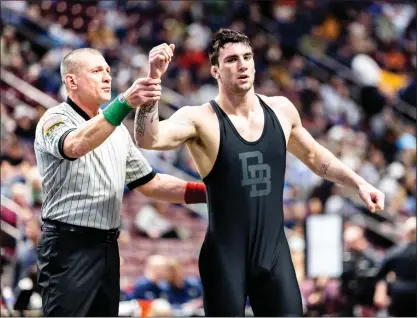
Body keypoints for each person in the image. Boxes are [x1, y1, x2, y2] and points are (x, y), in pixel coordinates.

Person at [134, 29, 385, 316]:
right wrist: (153, 80)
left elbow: (316, 156)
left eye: (247, 57)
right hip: (225, 256)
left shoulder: (280, 109)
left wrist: (359, 182)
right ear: (215, 70)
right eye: (231, 60)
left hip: (274, 254)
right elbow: (148, 139)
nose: (242, 65)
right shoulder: (199, 118)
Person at [34, 47, 207, 317]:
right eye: (96, 71)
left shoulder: (117, 133)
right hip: (67, 245)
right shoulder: (54, 118)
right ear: (71, 81)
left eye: (108, 71)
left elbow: (150, 183)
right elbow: (75, 145)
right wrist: (124, 102)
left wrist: (211, 192)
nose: (106, 77)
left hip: (107, 246)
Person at [373, 217, 417, 317]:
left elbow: (381, 272)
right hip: (400, 297)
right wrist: (380, 292)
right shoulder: (397, 252)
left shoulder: (396, 251)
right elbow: (381, 273)